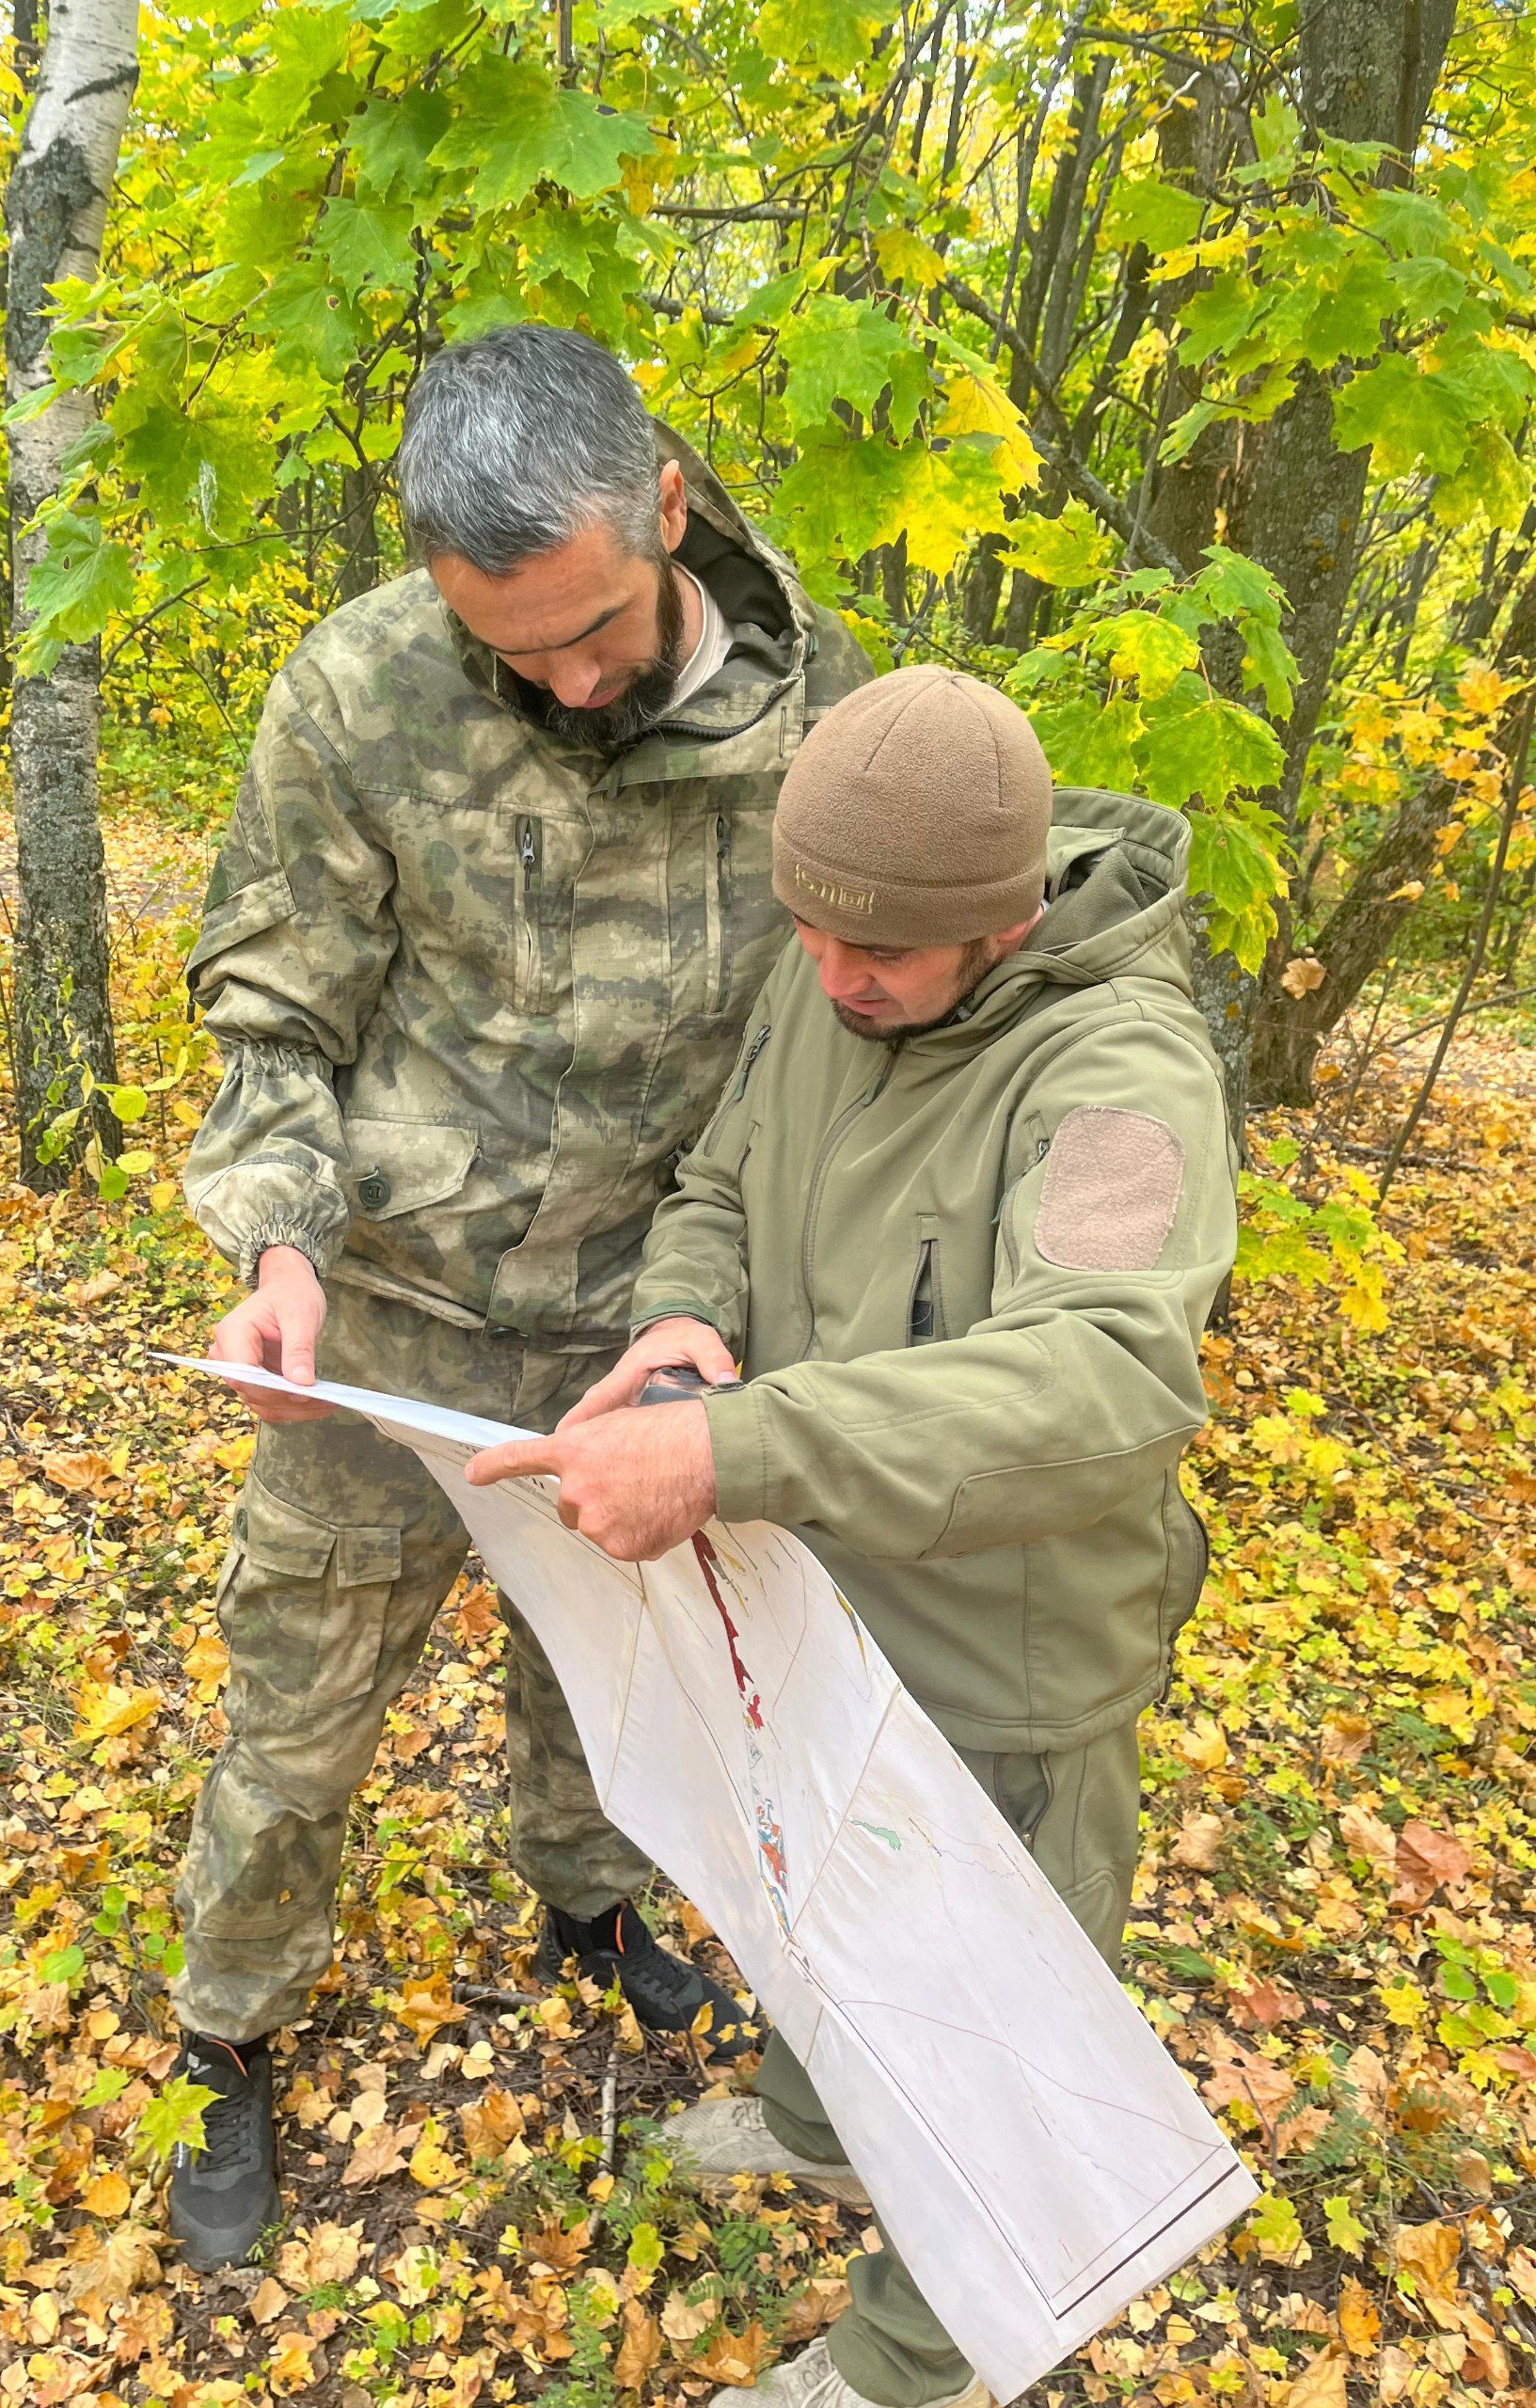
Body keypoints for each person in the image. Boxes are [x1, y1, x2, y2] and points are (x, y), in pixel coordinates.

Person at [167, 324, 871, 2270]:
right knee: (294, 1722)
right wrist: (280, 1244)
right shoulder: (362, 688)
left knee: (608, 1690)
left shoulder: (827, 711)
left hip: (648, 1324)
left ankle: (586, 1897)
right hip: (386, 1326)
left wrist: (740, 1313)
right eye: (513, 648)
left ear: (664, 504)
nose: (563, 677)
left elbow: (860, 1028)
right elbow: (276, 1000)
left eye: (590, 628)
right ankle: (225, 2022)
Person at [467, 667, 1240, 2408]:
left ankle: (916, 2361)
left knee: (987, 2042)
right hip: (824, 1597)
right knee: (816, 1900)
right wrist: (681, 1324)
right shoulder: (836, 975)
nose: (830, 976)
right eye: (806, 931)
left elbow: (1105, 1373)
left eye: (875, 953)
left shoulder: (1117, 1078)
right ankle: (820, 2124)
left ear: (1003, 918)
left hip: (1005, 1658)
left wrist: (735, 1448)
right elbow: (726, 1180)